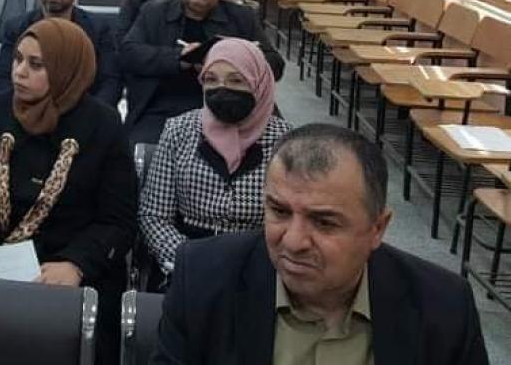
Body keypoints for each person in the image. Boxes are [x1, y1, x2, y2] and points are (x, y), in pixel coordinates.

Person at [151, 123, 489, 365]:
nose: (293, 241)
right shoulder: (202, 279)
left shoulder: (443, 309)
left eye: (324, 222)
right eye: (279, 211)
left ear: (377, 228)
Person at [0, 18, 136, 365]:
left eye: (36, 65)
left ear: (67, 71)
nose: (19, 72)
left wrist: (76, 265)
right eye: (18, 59)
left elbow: (118, 221)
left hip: (69, 267)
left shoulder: (103, 125)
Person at [138, 38, 290, 288]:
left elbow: (290, 222)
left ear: (259, 82)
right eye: (211, 80)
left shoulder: (286, 142)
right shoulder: (179, 130)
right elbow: (154, 216)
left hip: (258, 265)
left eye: (236, 81)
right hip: (187, 261)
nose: (222, 89)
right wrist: (190, 261)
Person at [121, 0, 284, 145]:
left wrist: (234, 63)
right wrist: (178, 58)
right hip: (162, 106)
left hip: (230, 107)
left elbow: (275, 64)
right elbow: (128, 54)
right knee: (141, 151)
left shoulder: (241, 17)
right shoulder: (153, 13)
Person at [0, 0, 121, 108]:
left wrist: (91, 115)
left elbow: (110, 82)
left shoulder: (98, 29)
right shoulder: (16, 27)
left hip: (83, 112)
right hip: (28, 111)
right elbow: (3, 80)